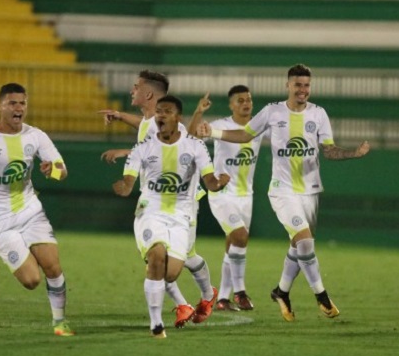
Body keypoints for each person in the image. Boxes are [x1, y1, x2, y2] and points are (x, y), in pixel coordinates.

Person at [197, 64, 370, 322]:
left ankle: (282, 291)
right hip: (282, 191)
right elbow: (245, 134)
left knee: (298, 245)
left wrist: (352, 153)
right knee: (305, 242)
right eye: (298, 85)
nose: (303, 90)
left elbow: (329, 150)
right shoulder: (272, 111)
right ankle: (321, 295)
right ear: (287, 85)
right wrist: (214, 131)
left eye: (306, 85)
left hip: (311, 191)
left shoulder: (319, 114)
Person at [0, 83, 74, 337]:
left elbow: (62, 171)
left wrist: (51, 170)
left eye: (22, 103)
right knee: (32, 281)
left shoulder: (36, 136)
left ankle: (60, 323)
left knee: (53, 266)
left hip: (31, 212)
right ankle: (22, 253)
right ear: (0, 106)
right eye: (12, 103)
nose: (18, 108)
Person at [112, 95, 230, 338]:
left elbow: (210, 181)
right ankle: (156, 323)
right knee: (156, 256)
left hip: (181, 216)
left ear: (178, 118)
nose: (161, 116)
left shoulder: (195, 147)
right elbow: (129, 180)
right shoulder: (143, 148)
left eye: (166, 111)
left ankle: (204, 295)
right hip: (150, 211)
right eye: (158, 112)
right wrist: (124, 188)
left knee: (171, 272)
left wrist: (219, 184)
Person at [99, 70, 203, 328]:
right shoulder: (150, 120)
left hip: (180, 203)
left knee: (175, 261)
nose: (131, 91)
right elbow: (144, 128)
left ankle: (206, 297)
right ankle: (184, 304)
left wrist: (126, 151)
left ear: (148, 94)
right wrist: (122, 116)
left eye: (135, 87)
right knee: (158, 258)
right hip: (155, 202)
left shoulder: (171, 126)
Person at [190, 85, 266, 311]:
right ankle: (240, 292)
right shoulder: (221, 126)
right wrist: (198, 112)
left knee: (233, 245)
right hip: (222, 194)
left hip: (246, 195)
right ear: (231, 105)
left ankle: (223, 298)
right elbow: (192, 135)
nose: (246, 103)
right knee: (240, 237)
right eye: (240, 100)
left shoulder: (259, 127)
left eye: (249, 99)